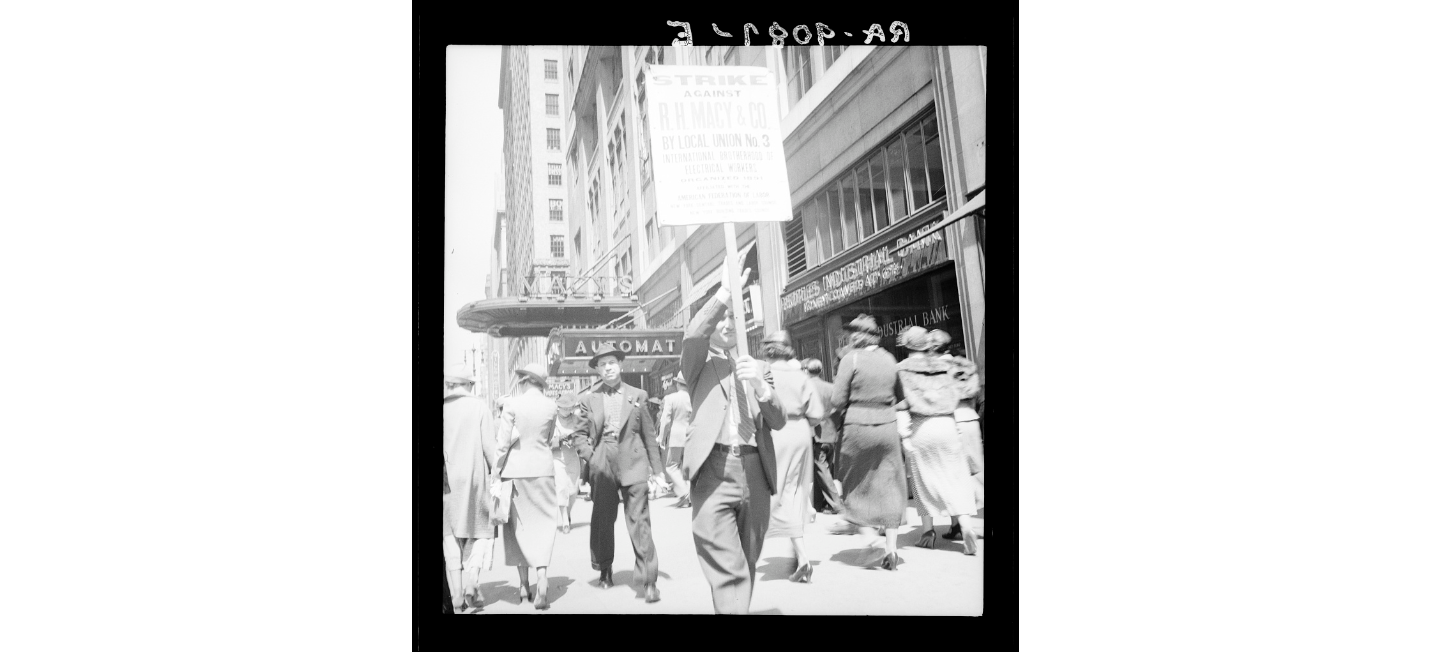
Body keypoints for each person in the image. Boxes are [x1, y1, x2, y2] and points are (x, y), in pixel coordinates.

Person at [679, 266, 786, 614]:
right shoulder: (698, 365)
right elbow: (694, 335)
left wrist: (762, 387)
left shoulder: (756, 367)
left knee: (747, 561)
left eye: (733, 317)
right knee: (729, 568)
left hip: (755, 470)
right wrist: (724, 293)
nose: (726, 324)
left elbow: (778, 420)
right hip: (714, 471)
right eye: (721, 318)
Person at [571, 343, 664, 603]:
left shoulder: (638, 395)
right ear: (597, 370)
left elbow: (649, 435)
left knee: (640, 521)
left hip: (634, 461)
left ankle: (649, 580)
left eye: (612, 362)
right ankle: (604, 569)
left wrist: (658, 471)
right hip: (603, 464)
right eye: (602, 364)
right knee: (603, 519)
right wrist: (593, 459)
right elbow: (578, 435)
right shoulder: (588, 399)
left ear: (620, 365)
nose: (608, 367)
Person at [894, 326, 980, 556]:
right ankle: (966, 526)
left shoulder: (901, 370)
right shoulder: (946, 366)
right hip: (948, 424)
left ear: (907, 346)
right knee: (957, 478)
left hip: (921, 427)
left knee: (922, 480)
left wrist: (904, 437)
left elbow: (901, 407)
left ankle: (928, 532)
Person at [831, 314, 907, 570]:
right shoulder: (889, 358)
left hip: (858, 427)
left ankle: (870, 540)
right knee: (889, 483)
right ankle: (892, 549)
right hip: (887, 426)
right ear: (875, 336)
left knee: (854, 482)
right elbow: (900, 396)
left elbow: (837, 400)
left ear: (855, 336)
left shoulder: (850, 359)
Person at [495, 363, 561, 610]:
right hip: (543, 470)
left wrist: (495, 472)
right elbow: (549, 438)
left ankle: (524, 587)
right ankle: (542, 579)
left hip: (515, 472)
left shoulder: (512, 405)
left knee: (517, 528)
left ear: (523, 380)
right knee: (543, 524)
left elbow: (502, 443)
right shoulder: (551, 406)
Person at [763, 330, 825, 583]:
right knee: (796, 490)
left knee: (779, 491)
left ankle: (802, 557)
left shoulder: (765, 374)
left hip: (776, 431)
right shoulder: (801, 375)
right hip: (801, 432)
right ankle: (797, 550)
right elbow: (817, 413)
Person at [443, 372, 498, 613]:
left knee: (449, 535)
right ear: (468, 385)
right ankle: (472, 582)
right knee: (480, 532)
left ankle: (455, 593)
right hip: (475, 478)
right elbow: (490, 449)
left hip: (446, 481)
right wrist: (498, 475)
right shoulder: (479, 407)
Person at [929, 330, 985, 543]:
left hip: (951, 421)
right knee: (977, 472)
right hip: (970, 419)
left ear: (932, 348)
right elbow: (976, 394)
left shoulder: (935, 370)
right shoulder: (963, 364)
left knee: (951, 475)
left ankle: (958, 525)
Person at [803, 359, 845, 517]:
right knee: (825, 466)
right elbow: (840, 409)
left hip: (817, 433)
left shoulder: (807, 387)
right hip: (831, 432)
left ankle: (836, 504)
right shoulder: (831, 387)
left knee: (821, 468)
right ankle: (820, 503)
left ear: (806, 370)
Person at [658, 373, 693, 508]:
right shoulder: (693, 397)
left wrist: (662, 437)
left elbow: (665, 420)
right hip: (691, 436)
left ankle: (684, 493)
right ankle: (688, 494)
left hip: (676, 437)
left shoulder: (671, 398)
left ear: (678, 384)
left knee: (671, 466)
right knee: (687, 468)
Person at [552, 393, 586, 534]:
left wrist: (575, 440)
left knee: (573, 490)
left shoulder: (576, 419)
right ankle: (565, 519)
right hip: (557, 457)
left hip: (573, 456)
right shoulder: (552, 420)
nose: (567, 411)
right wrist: (559, 439)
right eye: (564, 408)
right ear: (558, 407)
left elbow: (583, 435)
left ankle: (568, 511)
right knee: (561, 488)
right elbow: (545, 440)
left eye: (569, 408)